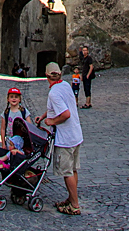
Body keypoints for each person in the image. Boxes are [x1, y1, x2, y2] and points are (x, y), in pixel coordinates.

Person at [36, 62, 83, 216]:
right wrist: (44, 116)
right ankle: (71, 198)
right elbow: (57, 107)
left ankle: (75, 205)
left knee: (67, 172)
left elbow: (65, 114)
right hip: (76, 134)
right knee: (73, 169)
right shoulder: (65, 86)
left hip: (65, 138)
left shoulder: (53, 92)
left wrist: (52, 122)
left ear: (46, 76)